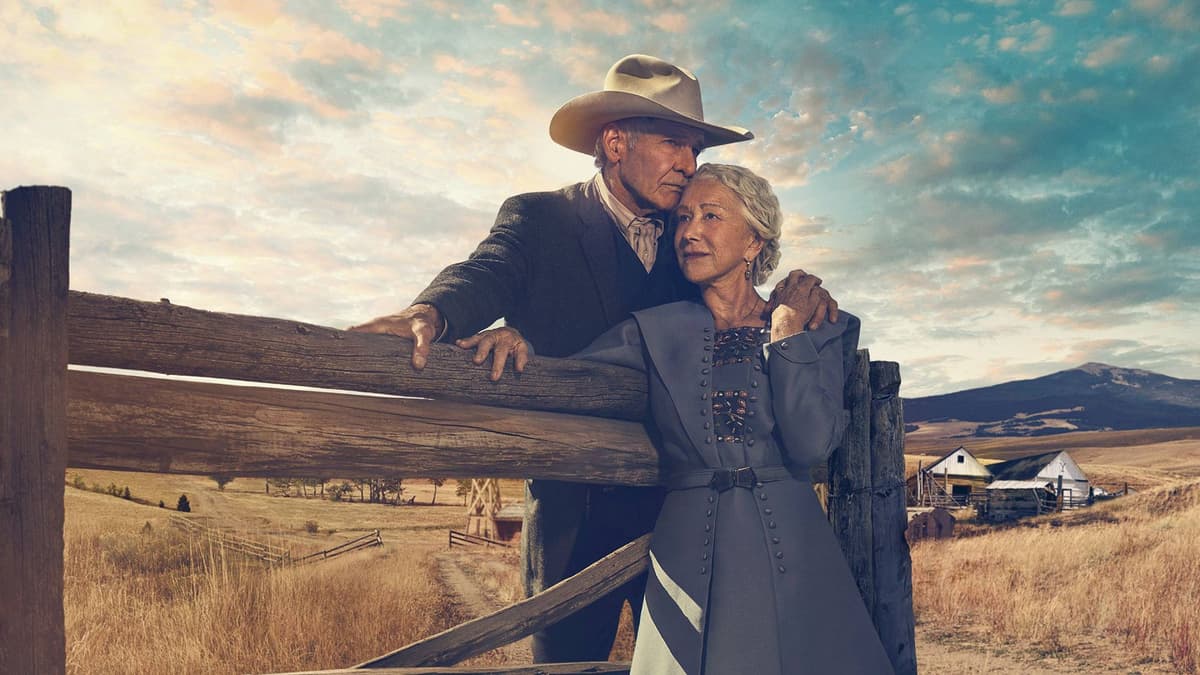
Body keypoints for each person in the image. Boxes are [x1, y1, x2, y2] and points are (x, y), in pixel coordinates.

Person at [350, 55, 839, 662]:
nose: (688, 165)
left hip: (682, 516)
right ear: (614, 142)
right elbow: (488, 270)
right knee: (566, 662)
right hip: (571, 515)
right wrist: (434, 313)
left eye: (694, 149)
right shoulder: (541, 218)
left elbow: (737, 314)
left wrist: (798, 308)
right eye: (673, 144)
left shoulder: (689, 238)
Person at [569, 163, 895, 674]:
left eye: (710, 215)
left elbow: (812, 443)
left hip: (793, 546)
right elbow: (566, 377)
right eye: (682, 219)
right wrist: (515, 338)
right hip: (687, 547)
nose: (690, 232)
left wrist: (785, 331)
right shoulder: (651, 331)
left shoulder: (817, 326)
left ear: (754, 242)